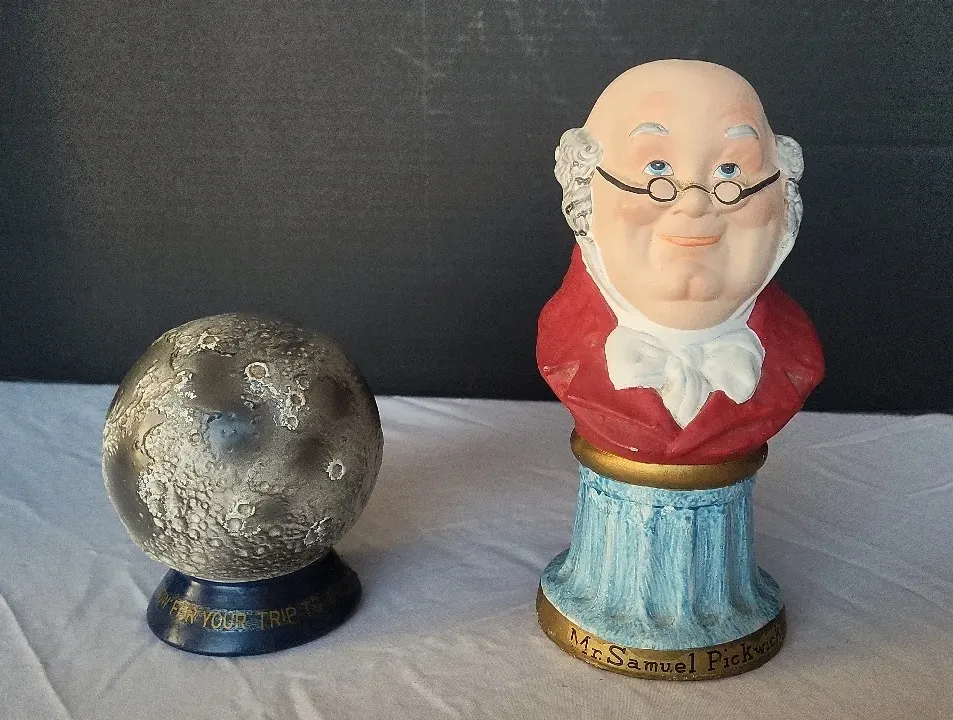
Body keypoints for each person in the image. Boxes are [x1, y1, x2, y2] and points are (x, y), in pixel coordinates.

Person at [537, 60, 824, 464]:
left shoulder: (798, 353)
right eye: (657, 167)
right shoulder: (564, 343)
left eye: (730, 170)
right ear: (583, 188)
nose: (694, 203)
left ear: (783, 193)